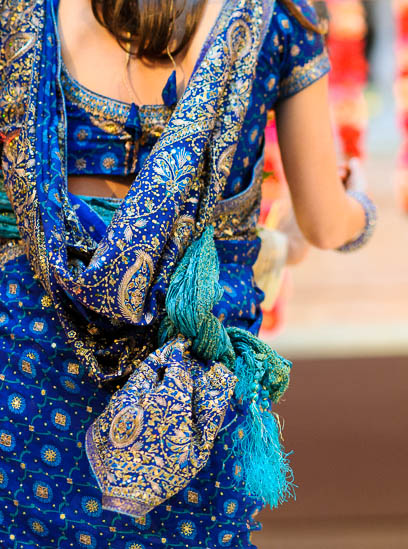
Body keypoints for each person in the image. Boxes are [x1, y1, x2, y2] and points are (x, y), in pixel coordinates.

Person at [0, 0, 376, 546]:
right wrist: (361, 210)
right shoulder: (277, 18)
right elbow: (324, 221)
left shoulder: (25, 13)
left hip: (26, 365)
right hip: (189, 393)